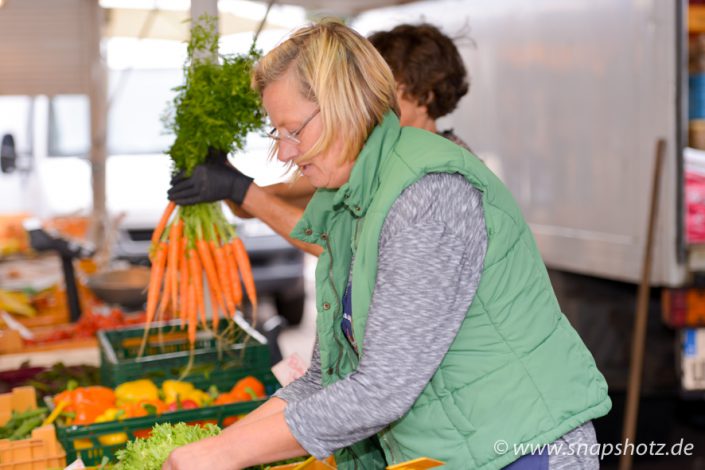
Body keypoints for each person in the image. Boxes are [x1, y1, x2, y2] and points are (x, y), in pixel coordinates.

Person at [164, 19, 611, 470]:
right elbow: (324, 377)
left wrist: (224, 454)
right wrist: (216, 446)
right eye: (277, 133)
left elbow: (383, 387)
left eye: (293, 129)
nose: (283, 152)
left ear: (345, 107)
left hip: (522, 448)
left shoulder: (429, 193)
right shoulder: (346, 200)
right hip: (453, 450)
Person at [167, 23, 472, 257]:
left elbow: (344, 253)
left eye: (384, 85)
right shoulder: (356, 163)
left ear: (425, 96)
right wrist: (229, 181)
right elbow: (260, 204)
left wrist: (242, 191)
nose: (365, 98)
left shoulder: (442, 177)